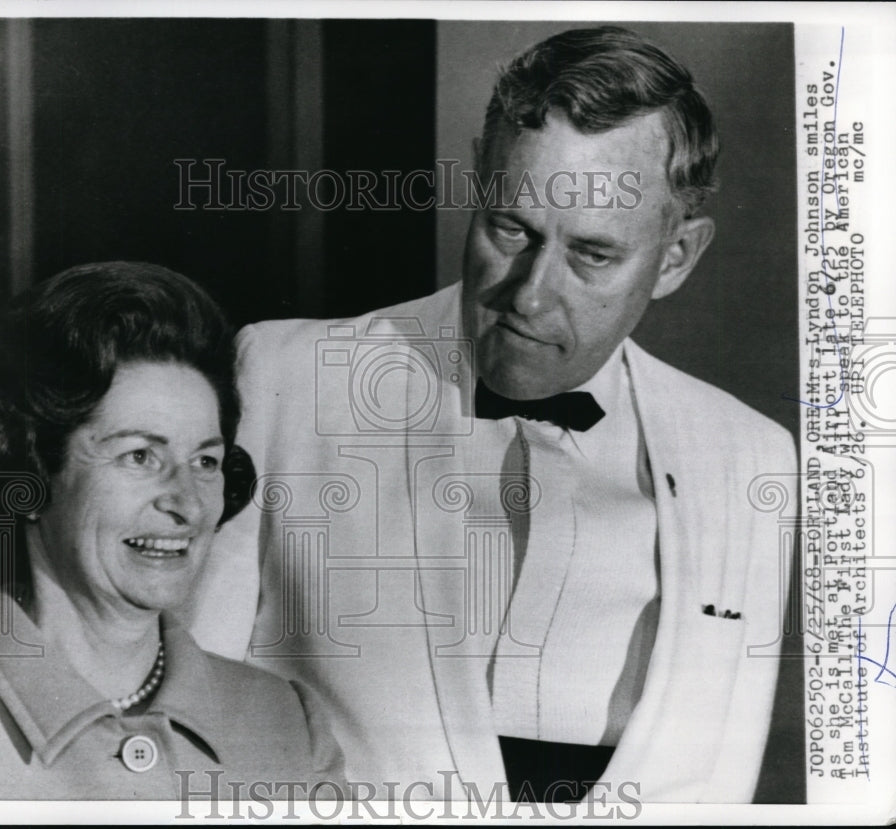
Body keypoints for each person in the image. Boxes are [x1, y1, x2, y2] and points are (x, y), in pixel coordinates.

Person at [188, 26, 797, 804]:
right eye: (510, 228)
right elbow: (189, 723)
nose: (531, 294)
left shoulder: (750, 456)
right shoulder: (286, 378)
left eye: (592, 255)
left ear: (676, 257)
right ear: (477, 177)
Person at [0, 262, 346, 800]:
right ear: (26, 473)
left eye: (206, 462)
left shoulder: (287, 723)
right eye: (140, 455)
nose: (186, 503)